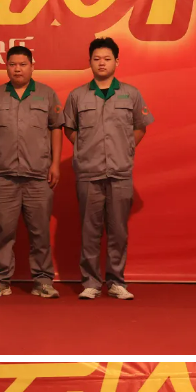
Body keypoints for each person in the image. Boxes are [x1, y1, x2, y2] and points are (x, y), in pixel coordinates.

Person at [64, 37, 154, 300]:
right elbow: (69, 129)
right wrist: (86, 148)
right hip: (88, 172)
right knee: (89, 230)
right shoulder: (77, 95)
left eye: (107, 58)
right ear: (90, 62)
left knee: (118, 231)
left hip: (120, 172)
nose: (101, 63)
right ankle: (91, 282)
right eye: (96, 59)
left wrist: (124, 147)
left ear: (117, 61)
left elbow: (140, 127)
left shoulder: (131, 94)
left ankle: (116, 282)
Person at [0, 46, 63, 299]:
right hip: (3, 176)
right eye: (12, 64)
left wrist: (55, 164)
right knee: (2, 232)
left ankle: (43, 281)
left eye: (23, 64)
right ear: (7, 67)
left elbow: (56, 128)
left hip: (39, 176)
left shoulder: (47, 94)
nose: (17, 69)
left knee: (40, 232)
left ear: (32, 66)